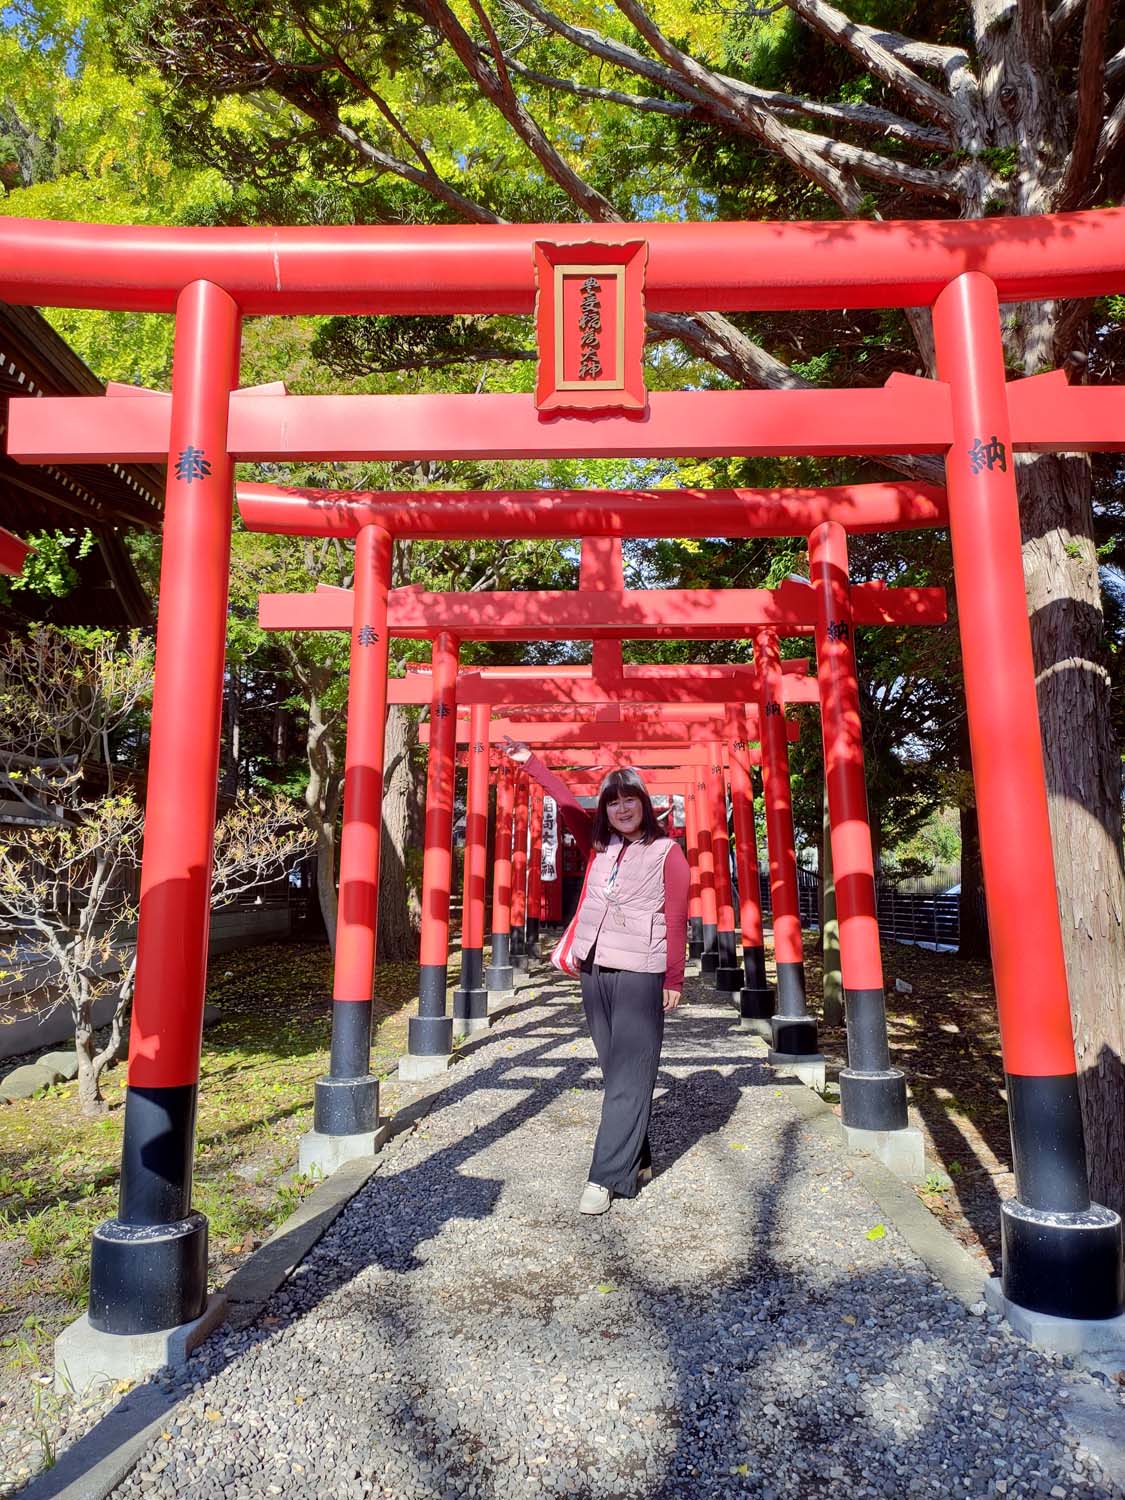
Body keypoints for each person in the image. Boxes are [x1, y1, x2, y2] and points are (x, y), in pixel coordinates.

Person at [502, 737, 689, 1215]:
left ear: (645, 806)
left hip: (641, 972)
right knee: (616, 1069)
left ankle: (604, 1178)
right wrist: (534, 765)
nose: (622, 808)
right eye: (613, 802)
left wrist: (673, 979)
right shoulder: (599, 846)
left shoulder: (668, 853)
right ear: (605, 810)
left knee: (630, 1071)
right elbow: (565, 805)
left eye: (630, 800)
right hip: (593, 965)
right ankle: (637, 1158)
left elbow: (676, 917)